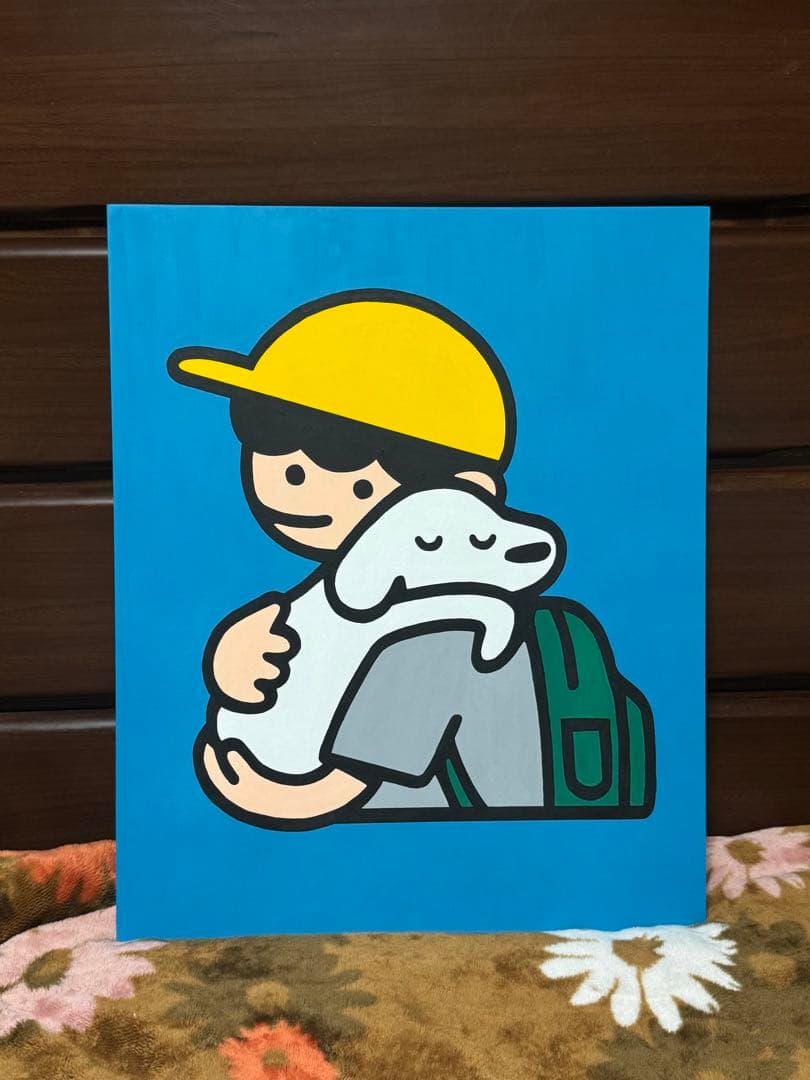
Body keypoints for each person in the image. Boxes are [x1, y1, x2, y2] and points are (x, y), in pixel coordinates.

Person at [169, 289, 556, 828]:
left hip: (437, 842)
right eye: (272, 443)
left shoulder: (452, 622)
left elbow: (359, 769)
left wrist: (266, 797)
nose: (292, 487)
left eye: (344, 462)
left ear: (462, 491)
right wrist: (233, 665)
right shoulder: (356, 582)